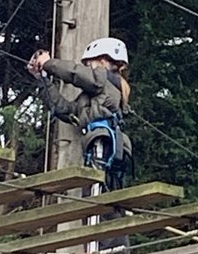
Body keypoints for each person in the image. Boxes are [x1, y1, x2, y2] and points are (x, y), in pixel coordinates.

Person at [27, 36, 132, 185]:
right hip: (102, 144)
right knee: (99, 185)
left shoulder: (103, 79)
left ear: (103, 61)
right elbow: (65, 110)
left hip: (101, 142)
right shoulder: (95, 96)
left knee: (96, 183)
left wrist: (48, 63)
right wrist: (42, 78)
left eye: (89, 63)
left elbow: (75, 73)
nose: (88, 67)